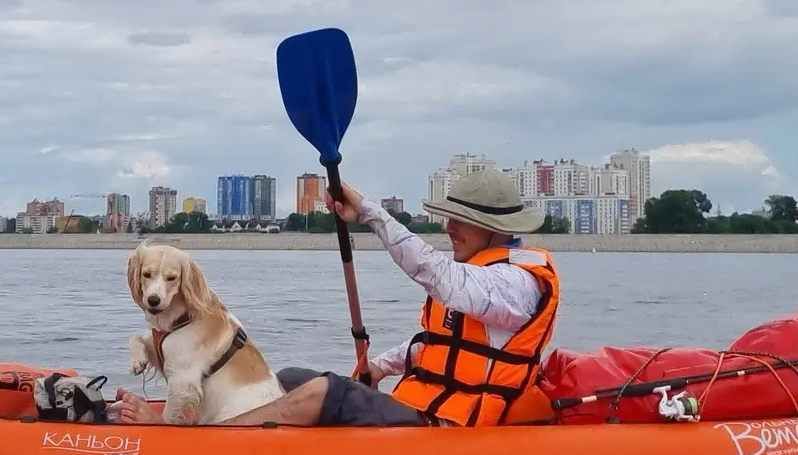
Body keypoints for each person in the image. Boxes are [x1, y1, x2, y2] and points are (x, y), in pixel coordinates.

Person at [114, 168, 560, 428]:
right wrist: (380, 365)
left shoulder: (517, 283)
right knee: (290, 376)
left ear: (496, 229)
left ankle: (200, 439)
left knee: (325, 390)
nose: (449, 228)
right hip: (420, 403)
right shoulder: (481, 277)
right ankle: (222, 418)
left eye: (461, 220)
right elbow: (435, 345)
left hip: (450, 424)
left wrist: (368, 213)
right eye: (450, 217)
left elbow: (439, 277)